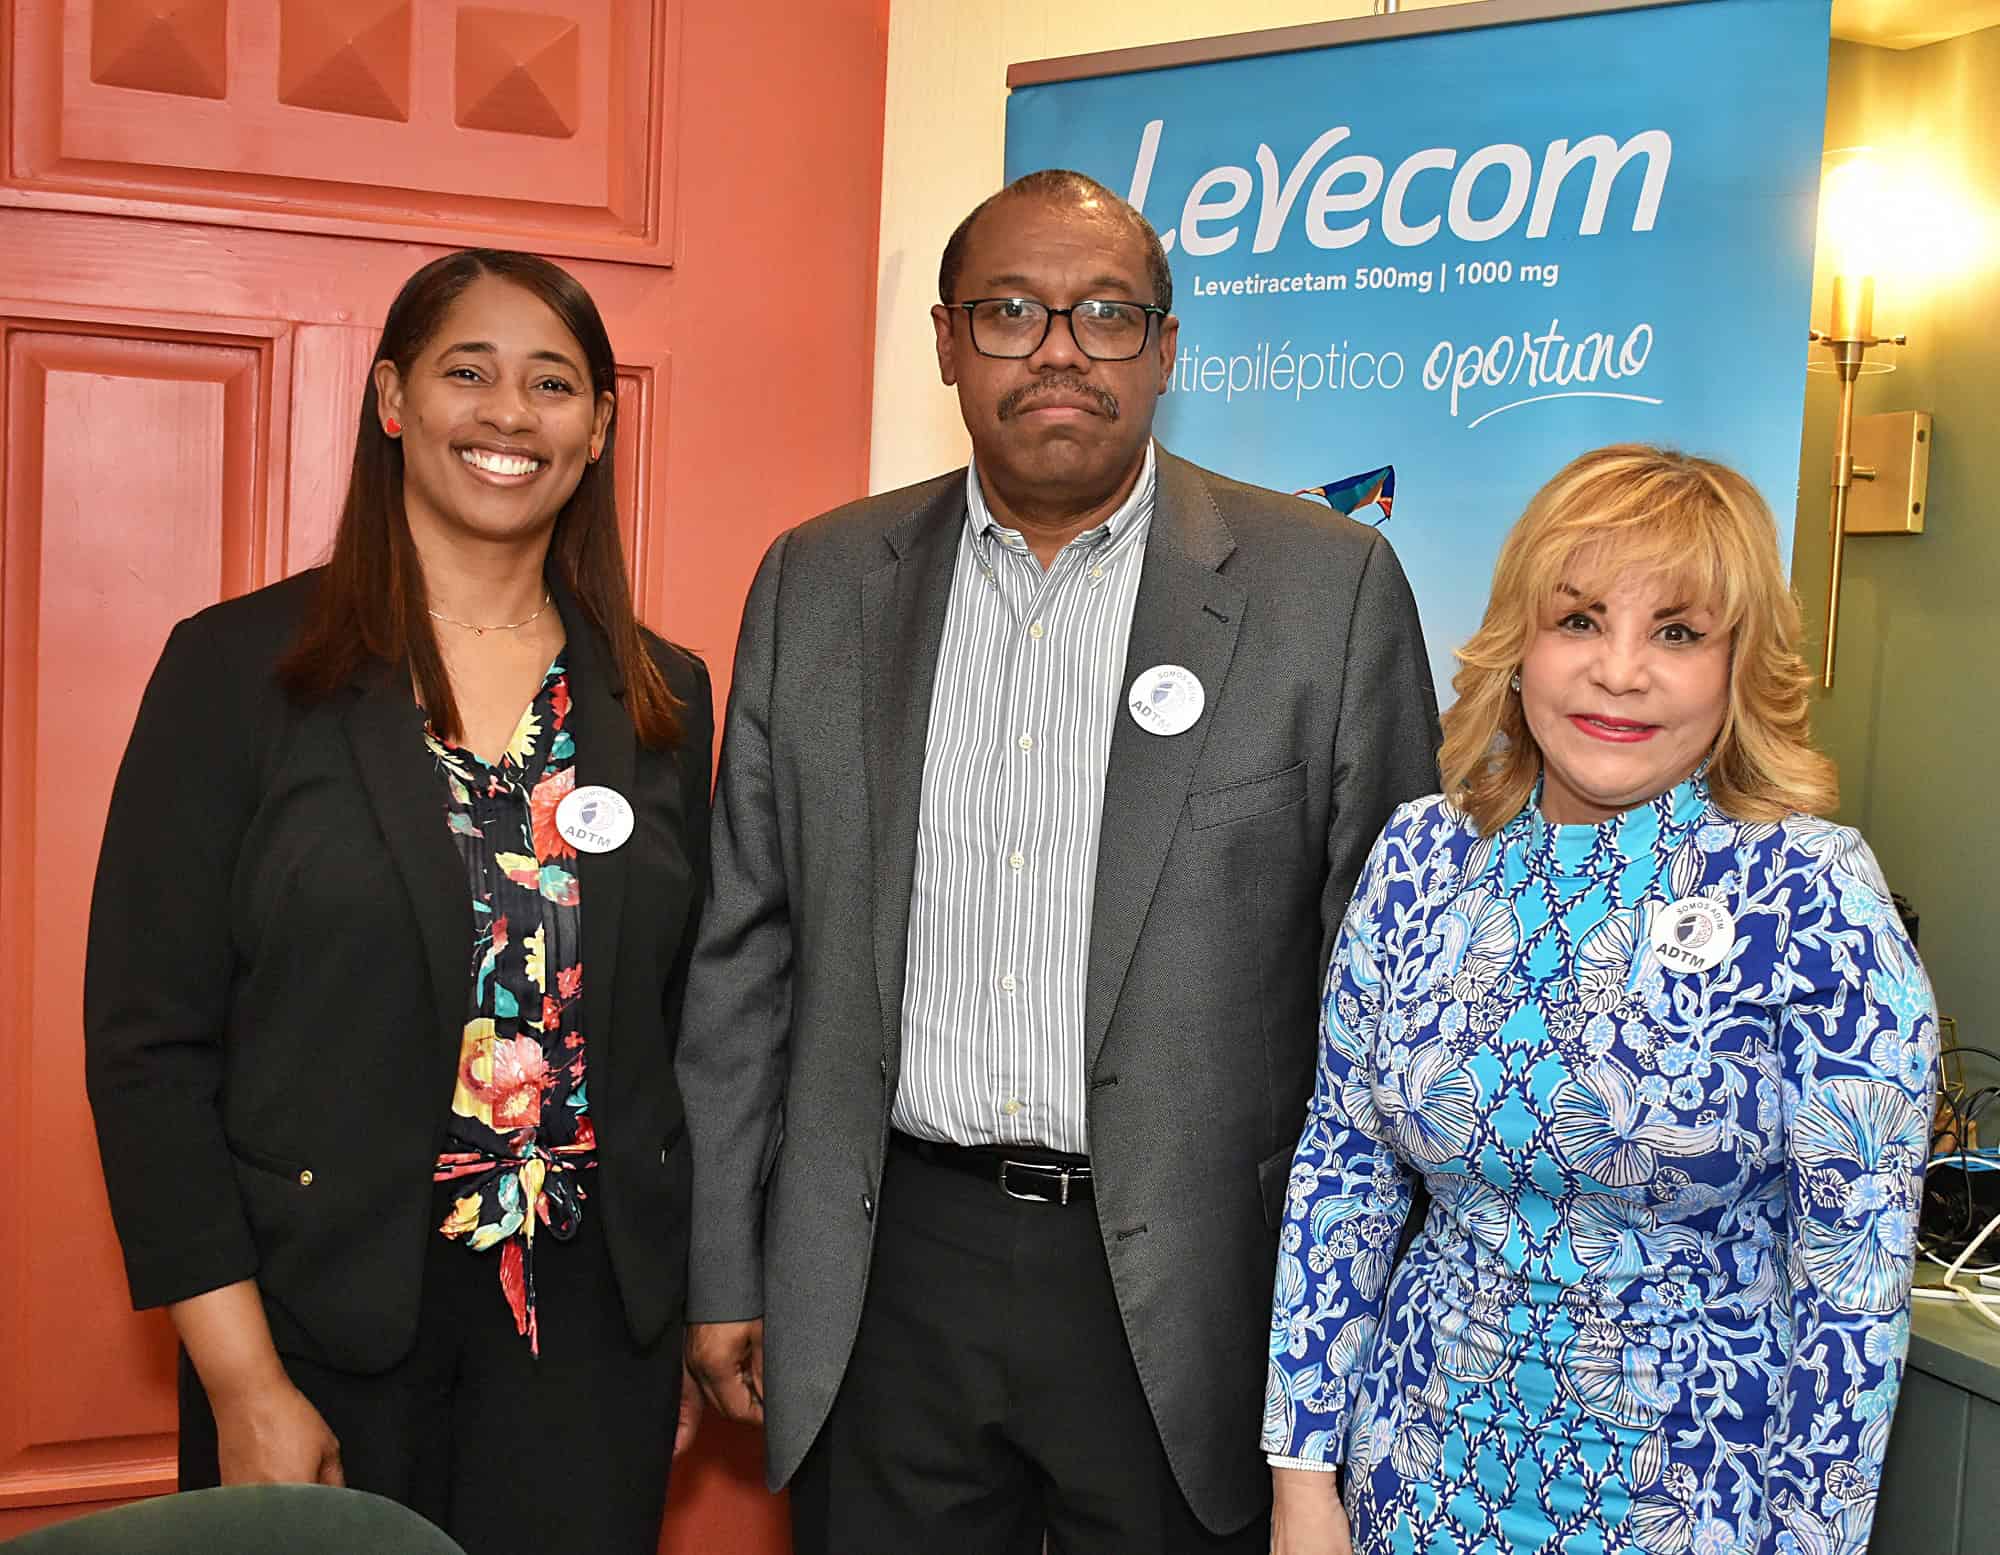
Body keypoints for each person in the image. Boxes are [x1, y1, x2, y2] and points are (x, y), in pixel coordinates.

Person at [676, 168, 1439, 1554]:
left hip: (1186, 1281)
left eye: (1105, 313)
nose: (1060, 349)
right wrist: (728, 1260)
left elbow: (1389, 994)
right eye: (1013, 311)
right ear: (950, 343)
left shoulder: (1321, 590)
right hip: (888, 1262)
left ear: (1165, 350)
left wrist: (1355, 1320)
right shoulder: (818, 580)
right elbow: (749, 947)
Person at [84, 249, 711, 1555]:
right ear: (390, 398)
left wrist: (680, 1306)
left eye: (552, 383)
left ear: (596, 428)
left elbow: (684, 1023)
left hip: (591, 1339)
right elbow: (149, 1049)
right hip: (327, 1333)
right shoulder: (242, 671)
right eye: (465, 372)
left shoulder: (659, 697)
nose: (507, 413)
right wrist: (243, 1381)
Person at [1265, 445, 1939, 1555]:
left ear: (1736, 666)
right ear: (1516, 645)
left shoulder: (1809, 890)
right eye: (1577, 619)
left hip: (1689, 1502)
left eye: (1676, 633)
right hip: (1408, 1487)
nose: (1617, 671)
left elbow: (1850, 1291)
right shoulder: (1420, 856)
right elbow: (1344, 1176)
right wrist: (1302, 1479)